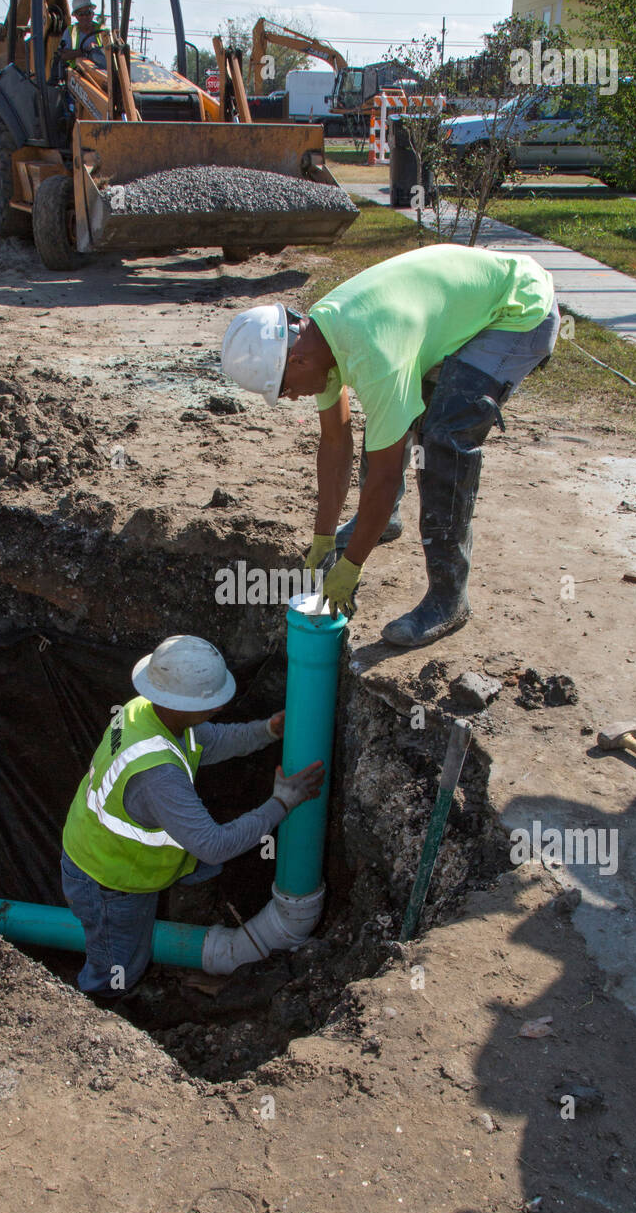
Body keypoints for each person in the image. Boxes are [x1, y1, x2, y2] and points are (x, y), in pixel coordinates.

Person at [220, 243, 560, 648]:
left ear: (297, 361)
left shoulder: (375, 353)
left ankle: (448, 600)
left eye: (286, 390)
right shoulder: (320, 337)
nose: (292, 398)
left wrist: (351, 566)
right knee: (392, 420)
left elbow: (383, 473)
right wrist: (323, 539)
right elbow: (335, 444)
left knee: (443, 439)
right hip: (455, 307)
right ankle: (388, 521)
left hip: (516, 309)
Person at [60, 635, 324, 999]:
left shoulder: (145, 710)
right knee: (117, 967)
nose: (218, 708)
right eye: (210, 703)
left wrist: (267, 731)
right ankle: (94, 1019)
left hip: (101, 853)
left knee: (202, 868)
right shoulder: (158, 776)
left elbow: (211, 741)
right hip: (109, 882)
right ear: (177, 702)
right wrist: (282, 803)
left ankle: (192, 913)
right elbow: (213, 845)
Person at [59, 0, 108, 71]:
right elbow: (63, 55)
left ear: (92, 13)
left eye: (88, 13)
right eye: (81, 14)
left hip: (101, 73)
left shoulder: (102, 30)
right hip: (77, 74)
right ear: (75, 16)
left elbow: (112, 53)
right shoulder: (70, 32)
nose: (85, 17)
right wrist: (85, 51)